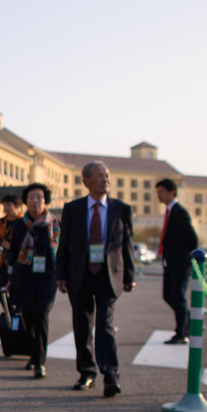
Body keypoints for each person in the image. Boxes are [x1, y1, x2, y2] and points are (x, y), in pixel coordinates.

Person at [55, 161, 135, 397]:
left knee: (105, 326)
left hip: (109, 277)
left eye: (107, 175)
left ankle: (110, 376)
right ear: (86, 181)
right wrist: (61, 274)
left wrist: (130, 275)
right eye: (100, 176)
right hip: (79, 276)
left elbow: (127, 246)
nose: (105, 179)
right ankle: (87, 373)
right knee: (82, 327)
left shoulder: (121, 208)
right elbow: (64, 243)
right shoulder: (73, 208)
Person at [7, 184, 60, 379]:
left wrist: (62, 276)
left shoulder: (54, 223)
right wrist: (10, 277)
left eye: (39, 197)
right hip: (24, 276)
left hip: (47, 277)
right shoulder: (20, 224)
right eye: (31, 197)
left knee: (41, 315)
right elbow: (13, 252)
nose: (35, 201)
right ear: (26, 201)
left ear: (45, 200)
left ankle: (39, 363)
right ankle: (33, 355)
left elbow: (61, 251)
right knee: (28, 318)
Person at [155, 178, 198, 345]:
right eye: (157, 192)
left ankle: (181, 333)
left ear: (172, 192)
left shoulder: (179, 212)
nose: (159, 195)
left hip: (180, 264)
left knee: (178, 297)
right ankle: (189, 321)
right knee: (168, 296)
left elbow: (192, 239)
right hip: (169, 263)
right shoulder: (169, 211)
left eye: (161, 192)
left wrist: (185, 258)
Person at [0, 194, 21, 294]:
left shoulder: (23, 221)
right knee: (0, 290)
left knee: (18, 289)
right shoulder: (1, 222)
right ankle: (9, 310)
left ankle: (17, 309)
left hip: (19, 260)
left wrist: (11, 246)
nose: (5, 208)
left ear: (17, 206)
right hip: (5, 260)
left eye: (8, 205)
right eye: (4, 205)